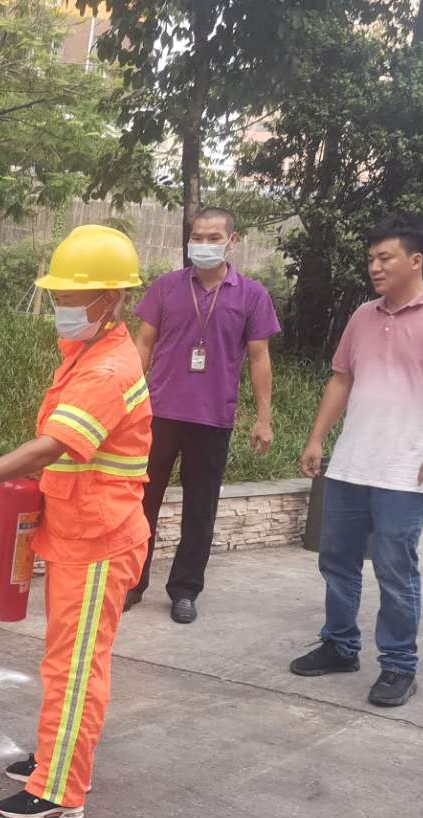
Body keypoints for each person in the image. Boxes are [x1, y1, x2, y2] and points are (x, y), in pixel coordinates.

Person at [0, 225, 152, 818]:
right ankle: (58, 754)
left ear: (110, 300)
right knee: (64, 660)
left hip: (101, 540)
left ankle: (60, 789)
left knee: (75, 666)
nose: (61, 309)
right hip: (80, 532)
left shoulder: (106, 371)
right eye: (58, 298)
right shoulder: (87, 354)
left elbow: (52, 445)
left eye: (71, 299)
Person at [290, 214, 423, 708]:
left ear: (415, 261)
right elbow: (341, 379)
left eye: (385, 258)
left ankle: (399, 665)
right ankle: (339, 645)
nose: (375, 267)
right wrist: (316, 439)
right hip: (352, 463)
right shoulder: (362, 316)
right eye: (371, 259)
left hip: (405, 470)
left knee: (395, 569)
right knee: (337, 561)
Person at [127, 207, 281, 623]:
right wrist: (126, 400)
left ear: (232, 241)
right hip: (158, 413)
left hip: (213, 418)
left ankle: (185, 589)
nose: (204, 244)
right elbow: (143, 344)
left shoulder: (251, 295)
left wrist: (263, 418)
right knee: (141, 502)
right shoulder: (166, 287)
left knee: (200, 509)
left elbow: (259, 359)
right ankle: (132, 582)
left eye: (213, 237)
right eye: (197, 236)